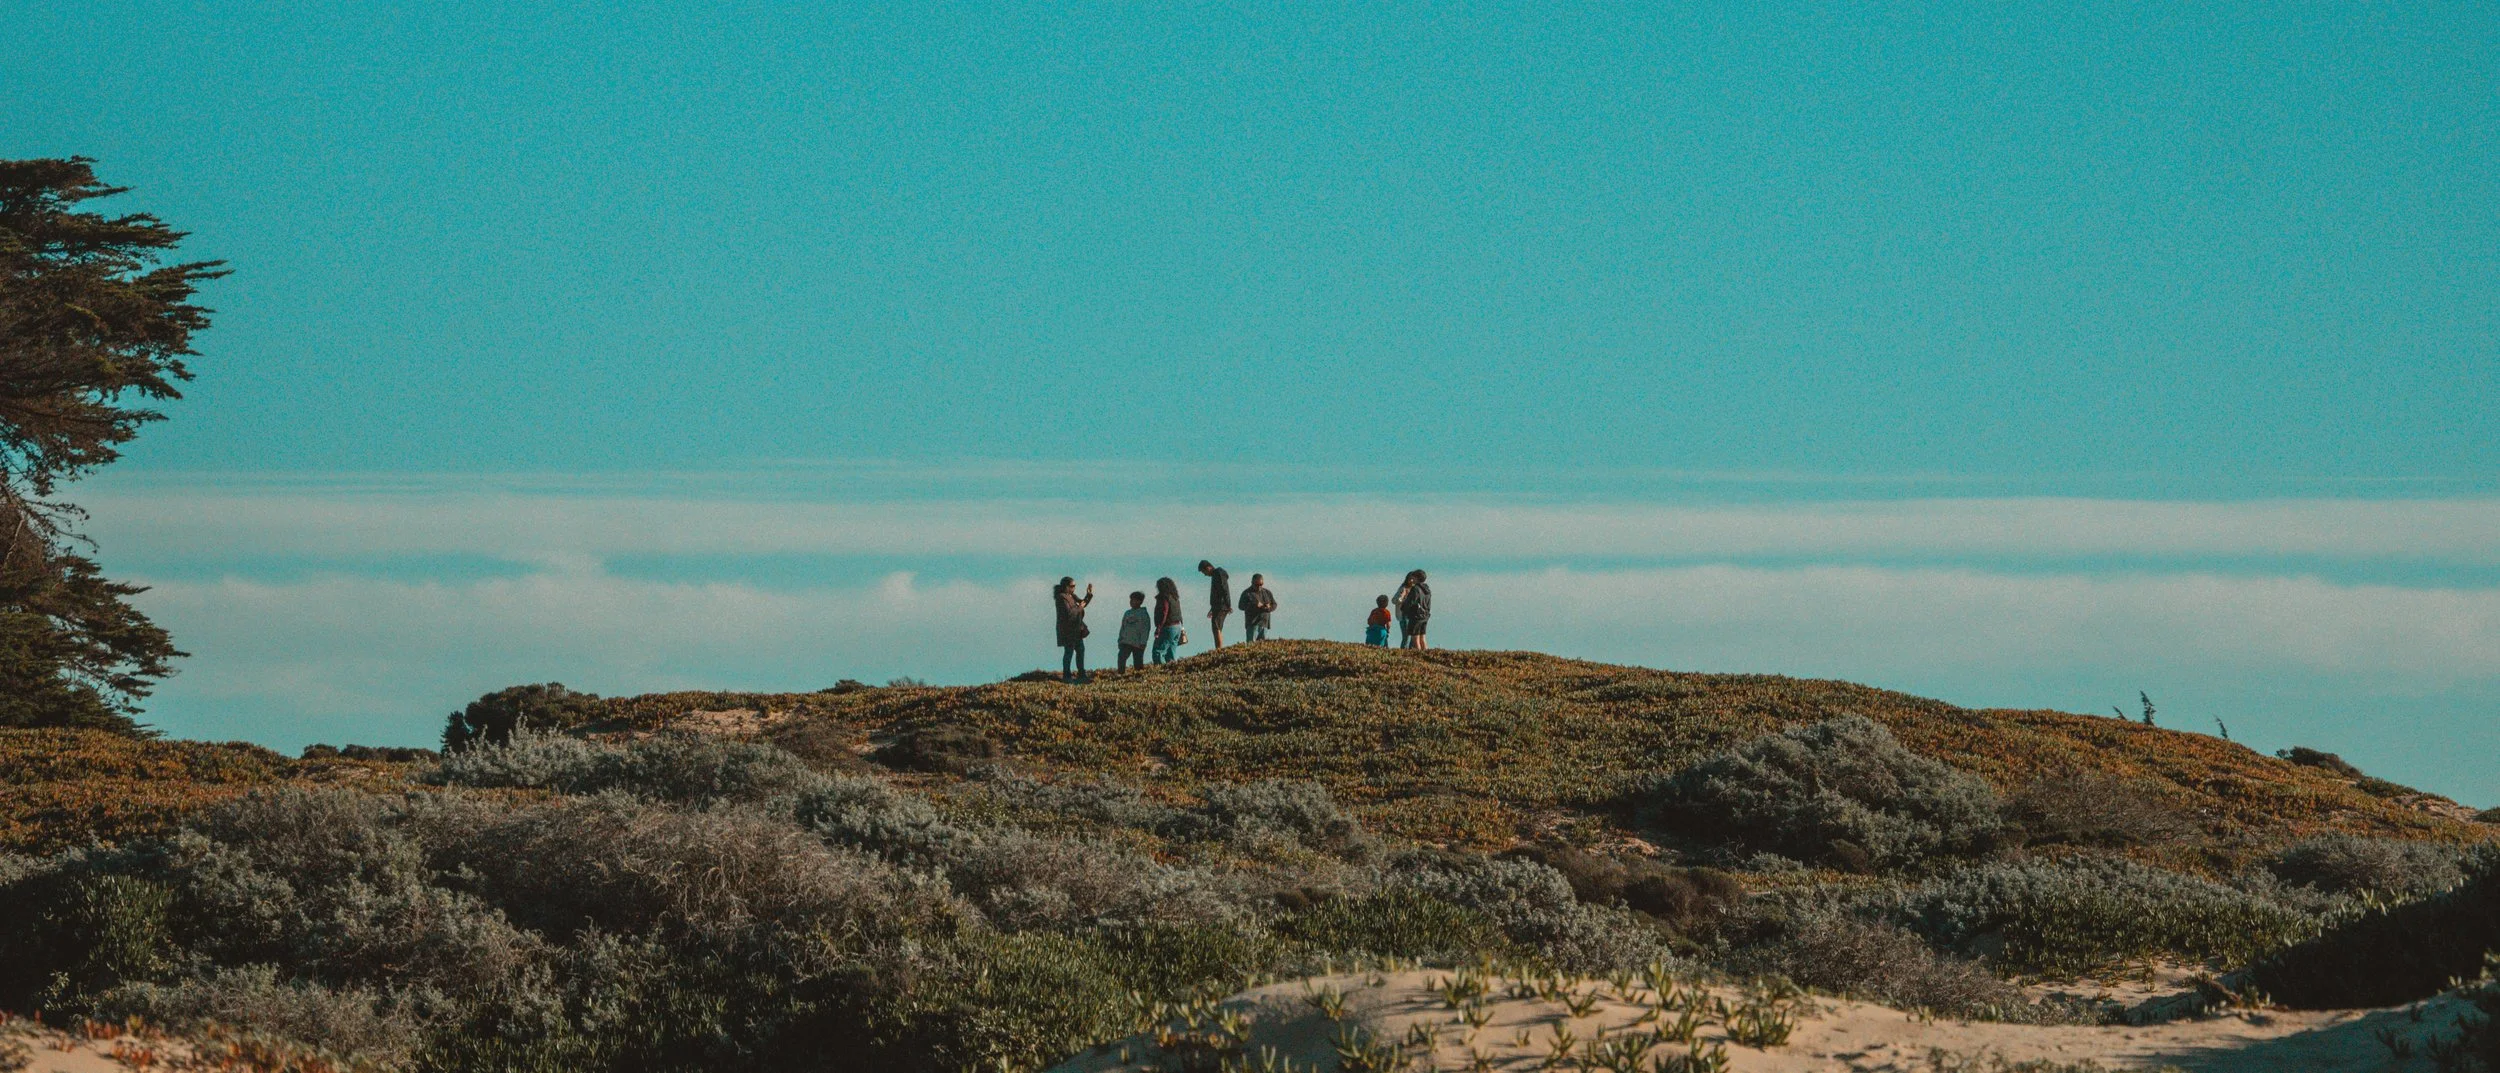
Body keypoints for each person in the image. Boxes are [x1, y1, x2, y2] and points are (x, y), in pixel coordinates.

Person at [1053, 576, 1093, 682]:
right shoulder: (1061, 597)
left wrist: (1088, 595)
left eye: (1074, 586)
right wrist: (1080, 607)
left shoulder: (1071, 596)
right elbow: (1069, 613)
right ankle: (1067, 675)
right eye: (1072, 586)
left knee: (1080, 650)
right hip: (1068, 630)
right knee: (1069, 652)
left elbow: (1082, 603)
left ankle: (1081, 673)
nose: (1074, 588)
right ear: (1066, 587)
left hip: (1076, 629)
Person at [1198, 560, 1232, 649]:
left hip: (1221, 605)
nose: (1205, 575)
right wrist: (1212, 608)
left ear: (1208, 568)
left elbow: (1224, 589)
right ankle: (1219, 648)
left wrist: (1228, 604)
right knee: (1217, 627)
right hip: (1218, 605)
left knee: (1216, 627)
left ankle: (1219, 649)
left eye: (1204, 572)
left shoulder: (1218, 573)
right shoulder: (1217, 574)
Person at [1151, 576, 1185, 664]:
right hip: (1177, 626)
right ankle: (1172, 671)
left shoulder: (1164, 597)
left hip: (1168, 626)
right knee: (1171, 652)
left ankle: (1160, 672)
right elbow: (1179, 613)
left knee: (1158, 651)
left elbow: (1164, 612)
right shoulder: (1175, 597)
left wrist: (1158, 628)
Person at [1394, 569, 1431, 650]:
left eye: (1413, 577)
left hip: (1416, 616)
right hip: (1425, 616)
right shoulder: (1427, 589)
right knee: (1422, 637)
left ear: (1417, 578)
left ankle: (1419, 656)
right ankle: (1426, 653)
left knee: (1415, 638)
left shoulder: (1415, 589)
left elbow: (1410, 602)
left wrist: (1404, 609)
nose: (1412, 579)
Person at [1116, 591, 1152, 671]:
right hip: (1126, 641)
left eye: (1133, 600)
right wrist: (1120, 639)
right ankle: (1120, 673)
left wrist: (1143, 642)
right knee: (1121, 657)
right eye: (1131, 600)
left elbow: (1145, 629)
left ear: (1140, 601)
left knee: (1138, 662)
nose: (1131, 602)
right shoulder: (1127, 613)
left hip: (1138, 643)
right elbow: (1123, 627)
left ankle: (1138, 677)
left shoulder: (1143, 614)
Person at [1239, 573, 1277, 641]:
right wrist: (1254, 605)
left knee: (1263, 648)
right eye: (1257, 585)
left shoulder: (1267, 592)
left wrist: (1269, 608)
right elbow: (1241, 606)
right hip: (1252, 624)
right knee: (1251, 646)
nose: (1259, 587)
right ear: (1252, 583)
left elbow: (1274, 604)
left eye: (1261, 584)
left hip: (1264, 624)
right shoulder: (1247, 593)